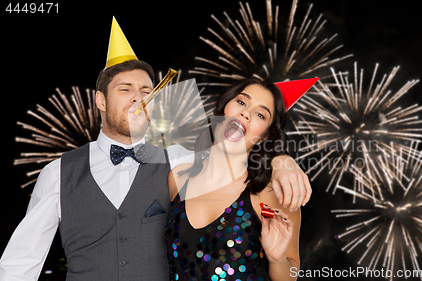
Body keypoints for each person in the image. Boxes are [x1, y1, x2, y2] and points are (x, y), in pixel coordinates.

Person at [0, 18, 311, 281]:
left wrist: (283, 161)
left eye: (147, 91)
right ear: (100, 101)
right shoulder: (57, 173)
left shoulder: (180, 161)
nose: (139, 98)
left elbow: (233, 155)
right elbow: (20, 262)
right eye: (125, 89)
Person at [166, 77, 319, 281]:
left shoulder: (272, 193)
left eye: (260, 114)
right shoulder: (178, 177)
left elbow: (290, 275)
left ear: (264, 136)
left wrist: (277, 259)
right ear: (223, 109)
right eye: (241, 102)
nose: (245, 113)